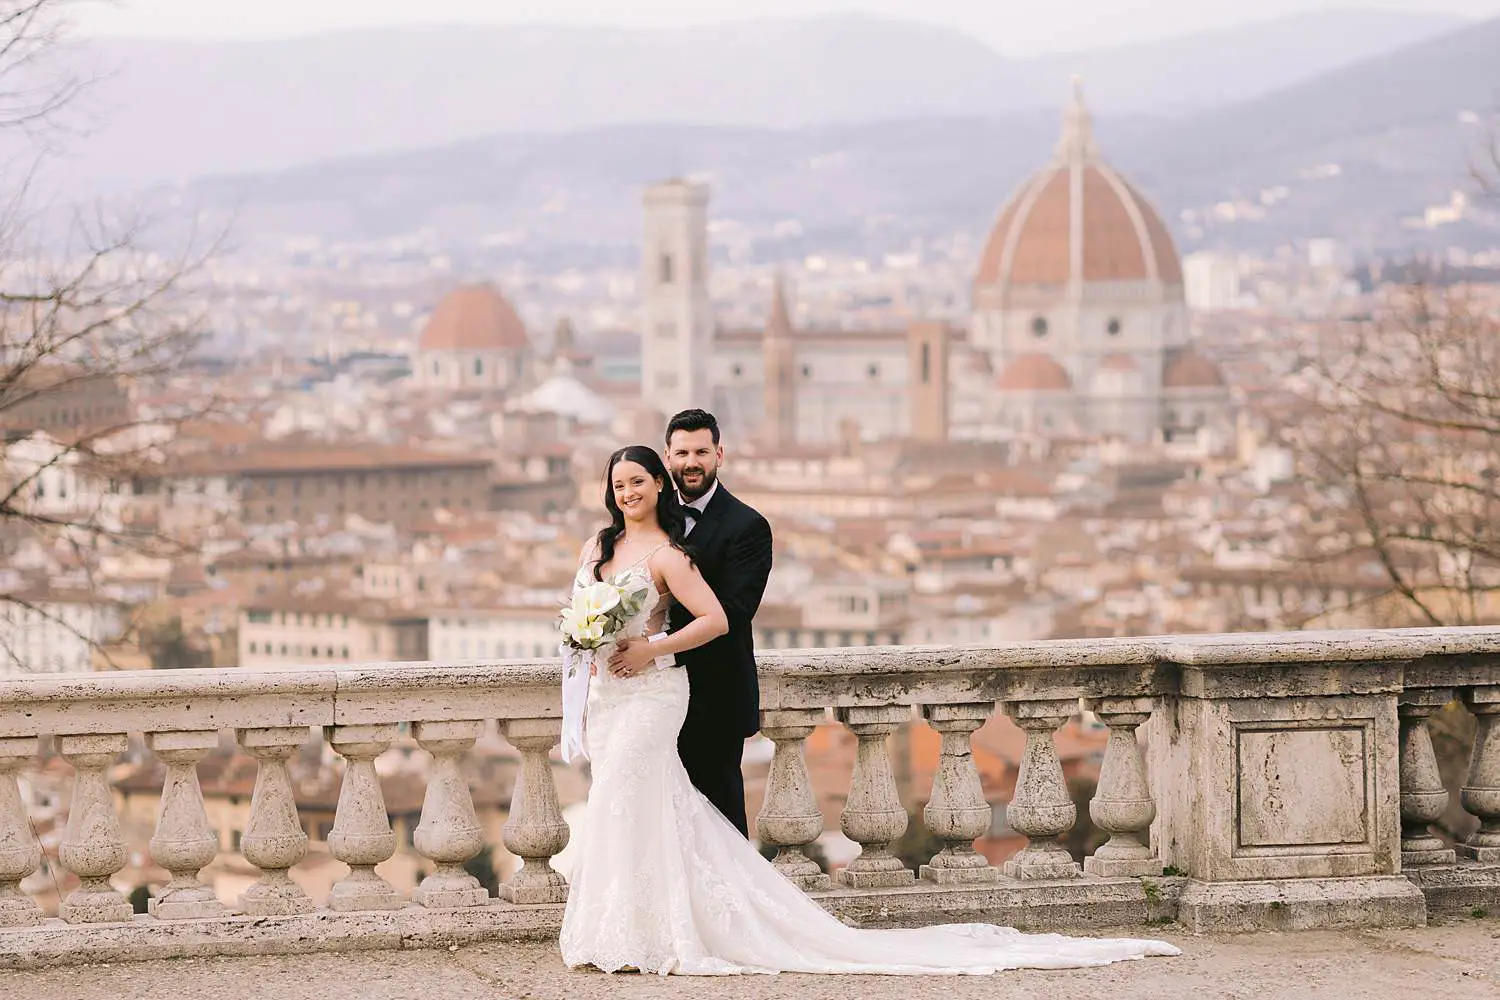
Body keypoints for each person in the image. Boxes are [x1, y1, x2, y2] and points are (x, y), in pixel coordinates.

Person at [557, 443, 1181, 976]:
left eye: (637, 481)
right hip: (609, 695)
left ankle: (659, 929)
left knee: (636, 793)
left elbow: (719, 618)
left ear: (658, 484)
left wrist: (652, 648)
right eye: (618, 484)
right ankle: (617, 925)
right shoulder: (595, 544)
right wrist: (585, 645)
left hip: (654, 689)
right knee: (622, 799)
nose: (627, 491)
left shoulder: (669, 553)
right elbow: (577, 612)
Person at [611, 408, 771, 836]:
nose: (691, 462)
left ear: (719, 454)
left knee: (720, 823)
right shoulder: (651, 520)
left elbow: (734, 614)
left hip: (713, 695)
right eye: (681, 453)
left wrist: (653, 648)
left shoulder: (748, 526)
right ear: (667, 458)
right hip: (649, 699)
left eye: (701, 451)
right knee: (659, 823)